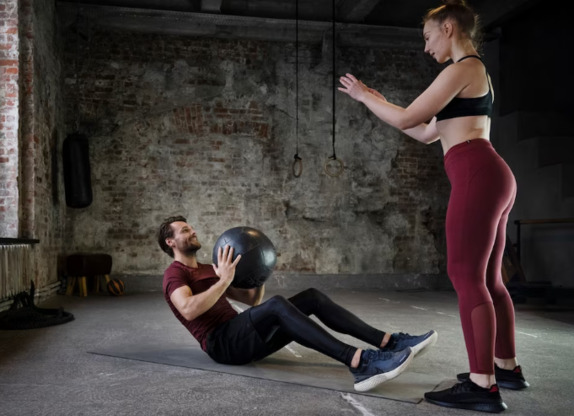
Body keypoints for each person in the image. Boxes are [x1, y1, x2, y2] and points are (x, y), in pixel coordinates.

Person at [338, 0, 528, 412]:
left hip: (479, 174)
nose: (426, 47)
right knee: (490, 280)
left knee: (465, 275)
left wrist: (363, 96)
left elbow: (406, 119)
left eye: (427, 37)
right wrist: (375, 99)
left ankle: (483, 387)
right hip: (490, 174)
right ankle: (505, 368)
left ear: (448, 28)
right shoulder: (472, 74)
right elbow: (424, 131)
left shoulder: (461, 69)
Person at [158, 215, 438, 392]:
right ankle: (360, 362)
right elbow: (188, 308)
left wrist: (258, 272)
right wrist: (223, 281)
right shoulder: (175, 274)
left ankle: (390, 342)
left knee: (311, 297)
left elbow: (251, 299)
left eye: (191, 227)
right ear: (171, 241)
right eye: (184, 230)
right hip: (224, 344)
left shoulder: (210, 268)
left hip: (243, 334)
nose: (192, 231)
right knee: (279, 306)